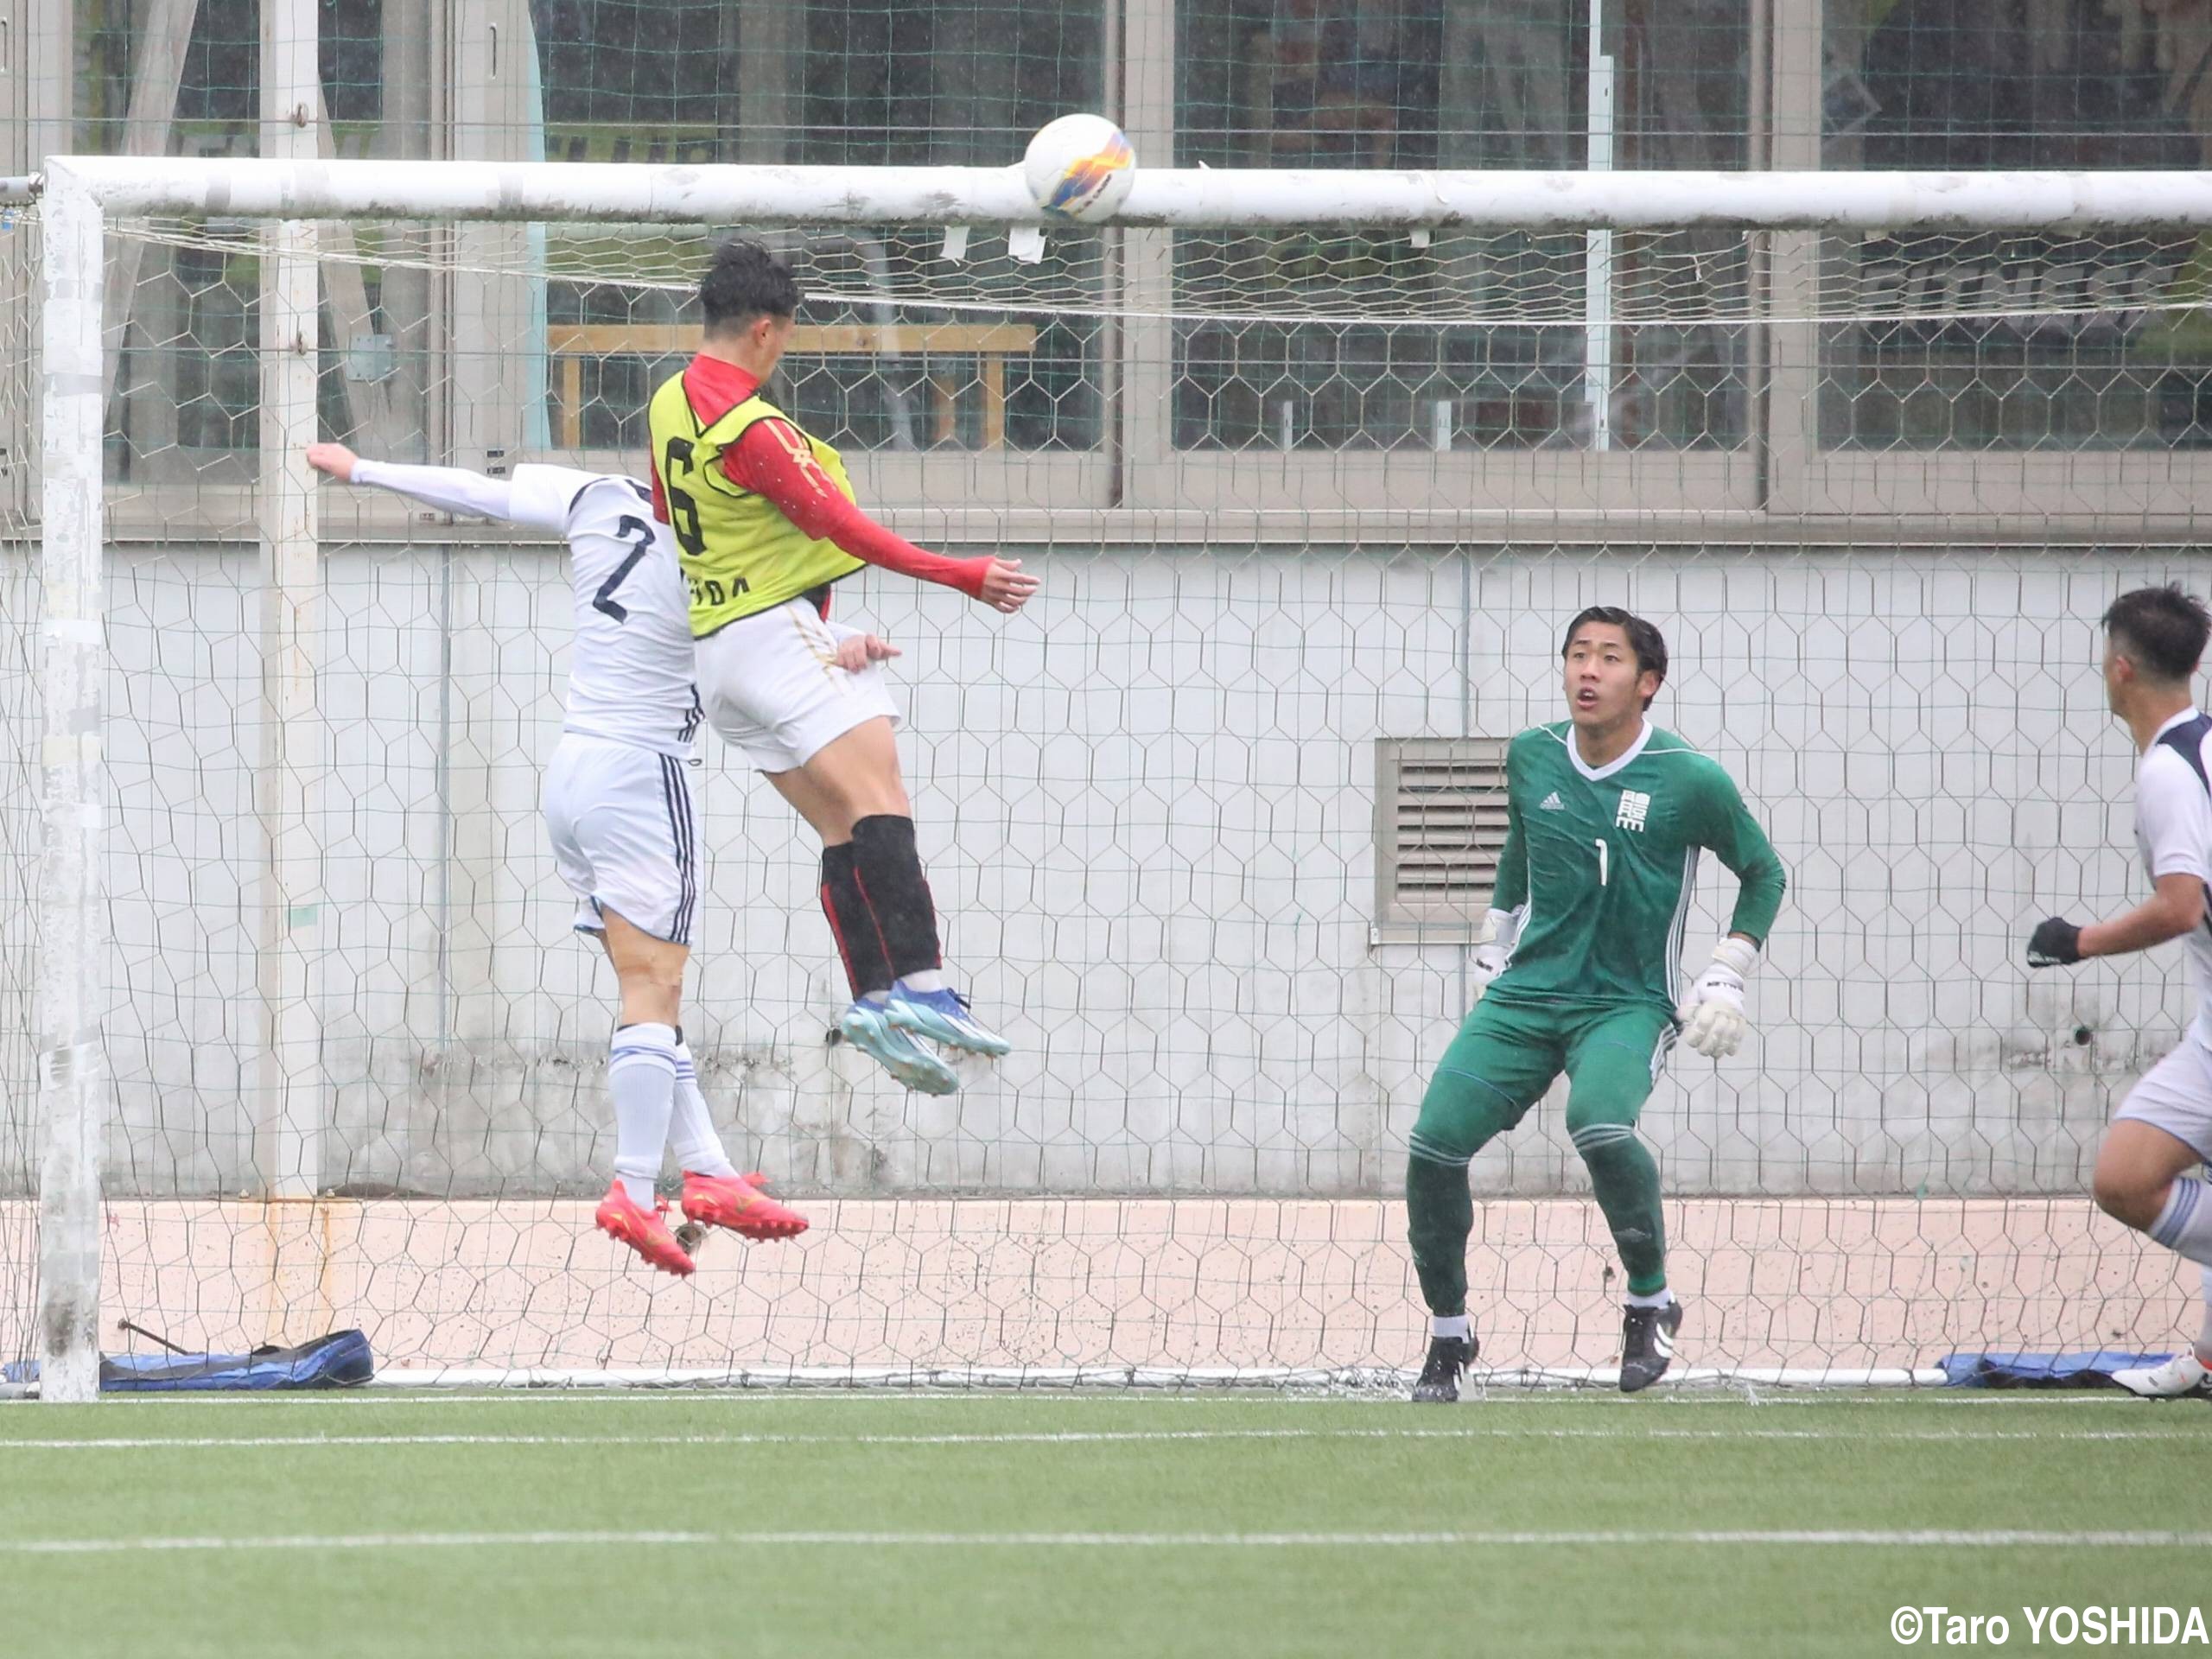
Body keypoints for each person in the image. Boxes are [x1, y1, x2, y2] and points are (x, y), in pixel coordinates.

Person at [305, 442, 807, 1277]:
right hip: (647, 777)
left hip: (573, 776)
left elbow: (481, 493)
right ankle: (635, 1191)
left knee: (645, 987)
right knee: (656, 988)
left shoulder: (597, 497)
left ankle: (712, 1172)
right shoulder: (720, 548)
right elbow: (768, 658)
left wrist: (365, 468)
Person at [645, 240, 1039, 1096]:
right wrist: (961, 575)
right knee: (881, 800)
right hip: (772, 638)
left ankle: (871, 998)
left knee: (839, 827)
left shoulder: (670, 403)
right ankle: (927, 990)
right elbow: (842, 528)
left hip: (723, 659)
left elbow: (666, 510)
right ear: (761, 330)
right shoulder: (752, 427)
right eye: (782, 336)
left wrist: (817, 614)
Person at [1405, 607, 1787, 1400]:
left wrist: (1727, 971)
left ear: (1647, 685)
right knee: (1433, 1147)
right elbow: (1522, 842)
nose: (1588, 671)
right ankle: (1449, 1336)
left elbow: (1765, 873)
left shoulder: (1690, 779)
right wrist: (1495, 932)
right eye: (1578, 654)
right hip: (1527, 994)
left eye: (1609, 659)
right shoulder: (1532, 756)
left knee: (1601, 1125)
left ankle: (1649, 1301)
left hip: (1625, 1003)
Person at [2027, 584, 2212, 1400]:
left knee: (2126, 1178)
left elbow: (2182, 905)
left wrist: (2080, 942)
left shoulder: (2169, 772)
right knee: (2143, 1174)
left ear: (2120, 667)